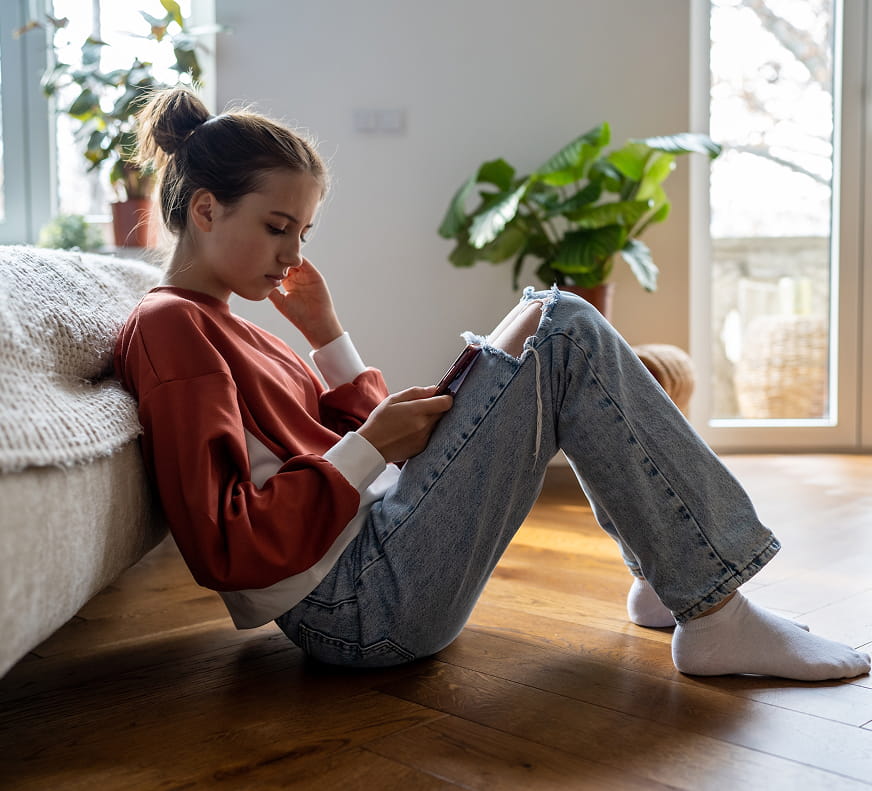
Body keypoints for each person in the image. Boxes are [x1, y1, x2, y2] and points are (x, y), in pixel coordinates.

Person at [115, 87, 870, 682]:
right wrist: (371, 444)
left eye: (303, 233)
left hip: (369, 559)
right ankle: (711, 605)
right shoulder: (173, 327)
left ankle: (677, 575)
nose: (292, 252)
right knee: (565, 325)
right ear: (207, 210)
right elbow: (225, 543)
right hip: (355, 605)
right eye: (278, 226)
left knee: (547, 312)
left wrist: (326, 337)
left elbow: (349, 445)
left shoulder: (223, 322)